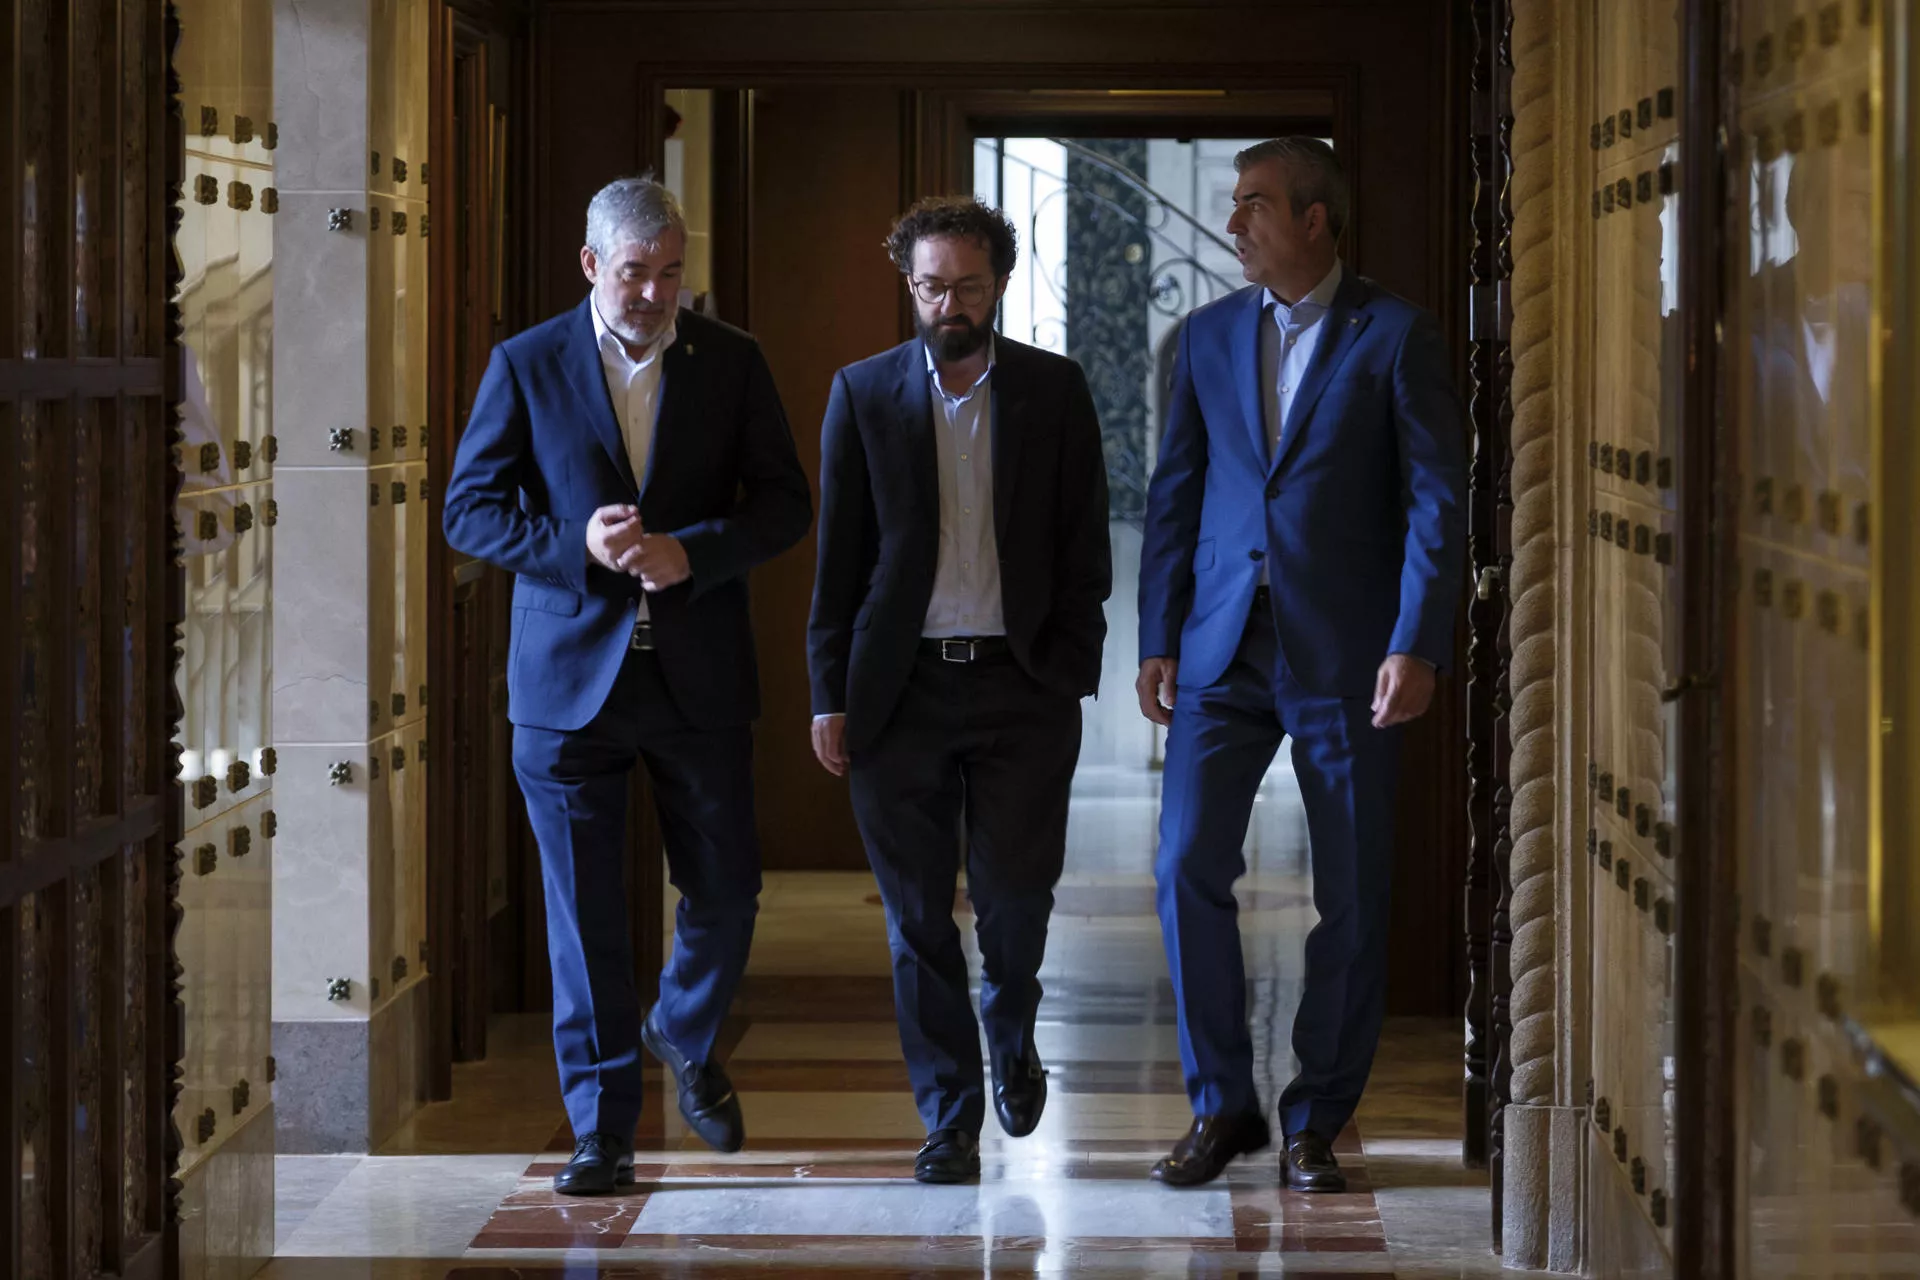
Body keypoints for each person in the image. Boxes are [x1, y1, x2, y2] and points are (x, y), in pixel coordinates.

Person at [444, 177, 811, 1194]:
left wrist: (692, 551)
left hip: (697, 675)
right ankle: (600, 1132)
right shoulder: (526, 362)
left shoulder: (732, 361)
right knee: (587, 920)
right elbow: (469, 511)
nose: (654, 293)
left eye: (671, 274)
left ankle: (681, 1028)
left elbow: (786, 502)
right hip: (566, 687)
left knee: (730, 889)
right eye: (636, 273)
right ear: (592, 265)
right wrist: (574, 545)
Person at [1137, 138, 1466, 1191]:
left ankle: (1318, 1114)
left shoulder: (1398, 334)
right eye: (1235, 207)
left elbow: (1435, 500)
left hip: (1349, 653)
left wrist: (1416, 639)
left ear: (1317, 219)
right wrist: (1157, 632)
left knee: (1355, 892)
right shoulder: (1205, 336)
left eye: (1255, 206)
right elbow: (1174, 495)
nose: (1235, 224)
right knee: (1184, 859)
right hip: (1223, 647)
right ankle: (1218, 1104)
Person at [807, 197, 1112, 1184]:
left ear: (998, 286)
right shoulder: (861, 395)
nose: (950, 302)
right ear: (912, 286)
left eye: (968, 286)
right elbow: (839, 561)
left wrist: (1074, 657)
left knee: (1015, 904)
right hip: (899, 693)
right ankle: (949, 1118)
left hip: (1023, 687)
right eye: (933, 285)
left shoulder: (1055, 391)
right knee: (917, 920)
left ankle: (1010, 1023)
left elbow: (1084, 541)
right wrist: (828, 693)